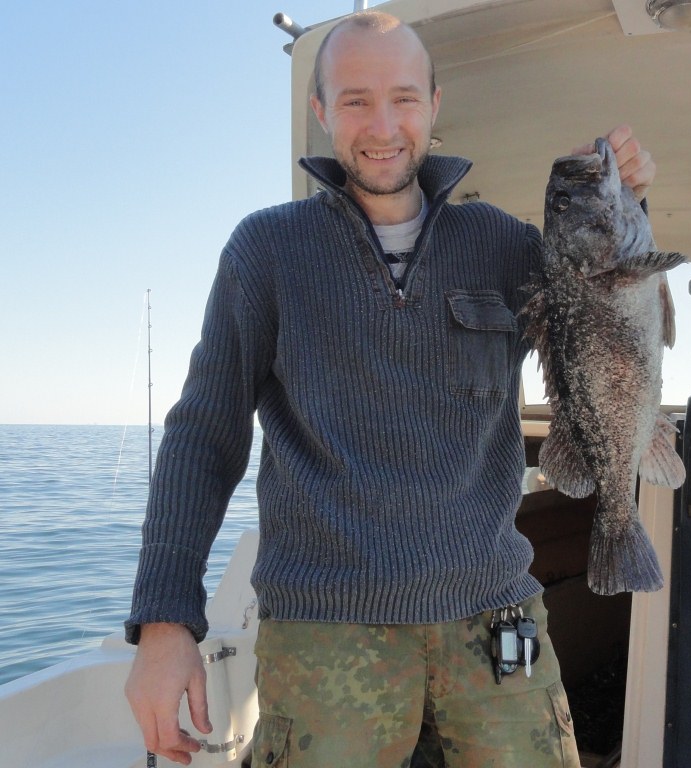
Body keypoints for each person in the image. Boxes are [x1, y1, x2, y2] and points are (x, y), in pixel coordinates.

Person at [124, 10, 655, 768]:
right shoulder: (266, 250)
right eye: (355, 100)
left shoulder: (504, 244)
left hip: (496, 615)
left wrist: (625, 203)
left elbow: (605, 314)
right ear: (321, 111)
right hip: (325, 630)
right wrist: (164, 622)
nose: (382, 125)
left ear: (434, 105)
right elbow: (204, 436)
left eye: (403, 97)